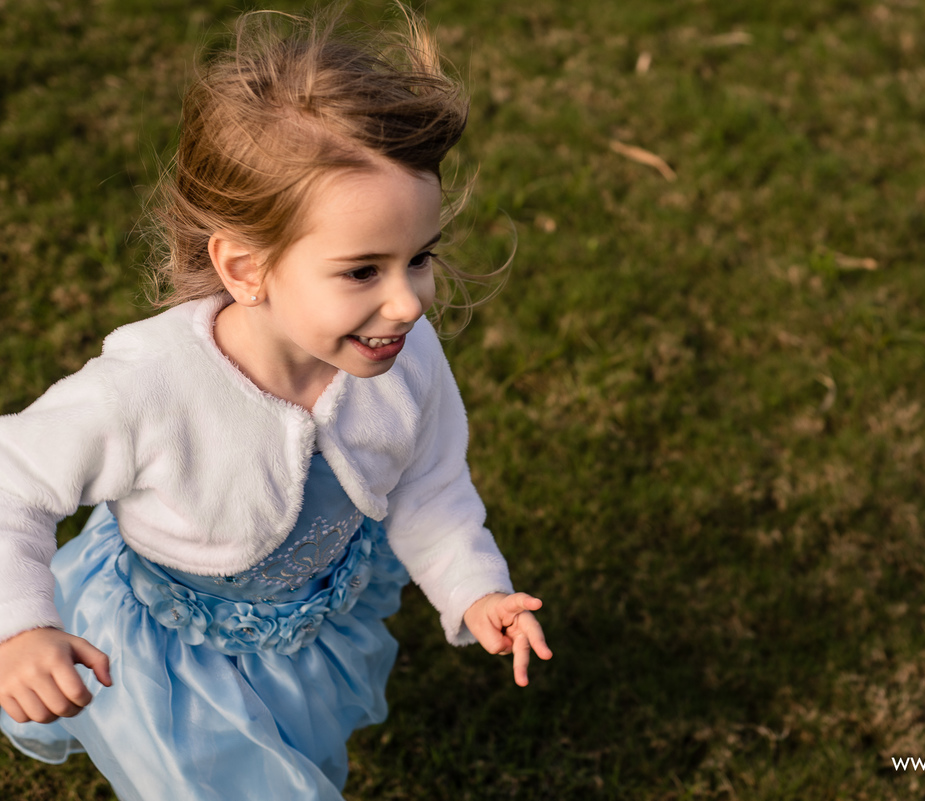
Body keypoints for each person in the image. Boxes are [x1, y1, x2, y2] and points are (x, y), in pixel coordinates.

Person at [0, 6, 550, 799]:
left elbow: (428, 486)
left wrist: (476, 588)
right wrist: (22, 627)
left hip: (310, 634)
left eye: (420, 258)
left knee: (296, 752)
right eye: (363, 270)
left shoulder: (404, 359)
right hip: (171, 660)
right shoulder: (149, 388)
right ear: (247, 268)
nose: (407, 303)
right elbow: (12, 480)